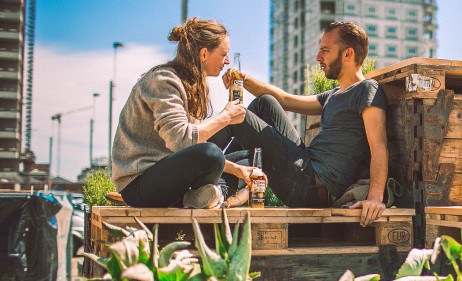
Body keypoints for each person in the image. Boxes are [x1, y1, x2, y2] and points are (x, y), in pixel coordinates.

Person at [217, 21, 388, 226]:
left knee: (239, 115)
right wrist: (244, 81)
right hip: (304, 169)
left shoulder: (367, 90)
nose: (318, 58)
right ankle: (214, 182)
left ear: (348, 54)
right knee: (265, 104)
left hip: (314, 185)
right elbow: (285, 100)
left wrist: (375, 198)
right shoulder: (333, 96)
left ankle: (196, 157)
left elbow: (379, 145)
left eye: (325, 50)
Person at [112, 18, 256, 209]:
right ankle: (209, 195)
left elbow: (192, 145)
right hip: (139, 183)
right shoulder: (163, 80)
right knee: (212, 155)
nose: (227, 61)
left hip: (171, 173)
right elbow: (181, 140)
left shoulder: (192, 86)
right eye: (224, 54)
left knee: (248, 158)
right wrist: (226, 117)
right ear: (204, 54)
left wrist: (239, 170)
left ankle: (207, 196)